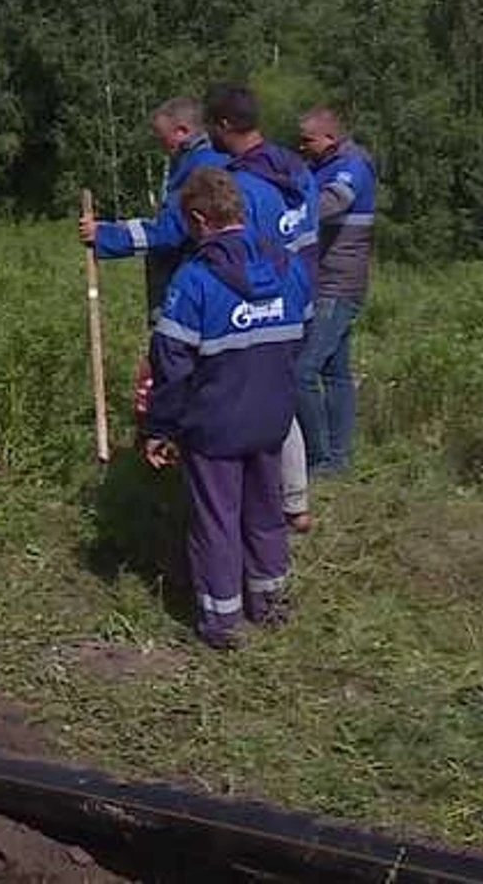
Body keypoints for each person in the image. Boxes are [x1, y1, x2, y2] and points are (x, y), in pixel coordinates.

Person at [141, 166, 307, 650]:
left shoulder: (194, 280)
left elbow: (171, 364)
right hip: (272, 417)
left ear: (198, 219)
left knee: (216, 521)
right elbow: (303, 334)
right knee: (266, 512)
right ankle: (271, 603)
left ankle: (221, 622)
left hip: (214, 425)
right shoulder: (289, 267)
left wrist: (159, 427)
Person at [205, 84, 319, 533]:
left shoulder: (246, 187)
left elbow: (243, 254)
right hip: (303, 295)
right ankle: (296, 502)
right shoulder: (296, 170)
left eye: (213, 126)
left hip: (266, 305)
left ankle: (261, 503)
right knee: (282, 396)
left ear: (225, 126)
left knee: (259, 402)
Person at [77, 97, 229, 428]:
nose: (160, 143)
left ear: (182, 130)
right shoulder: (195, 162)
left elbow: (172, 230)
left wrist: (105, 235)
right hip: (201, 282)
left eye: (162, 135)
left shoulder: (200, 167)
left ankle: (176, 439)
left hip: (190, 284)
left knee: (182, 367)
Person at [294, 106, 378, 475]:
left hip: (338, 283)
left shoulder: (352, 165)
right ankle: (339, 458)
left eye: (307, 140)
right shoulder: (318, 166)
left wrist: (285, 217)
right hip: (322, 279)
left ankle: (319, 456)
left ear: (329, 137)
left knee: (302, 370)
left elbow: (333, 202)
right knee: (334, 372)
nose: (302, 147)